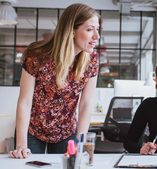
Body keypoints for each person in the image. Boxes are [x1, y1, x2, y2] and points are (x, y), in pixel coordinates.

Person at [9, 3, 100, 158]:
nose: (97, 36)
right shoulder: (36, 55)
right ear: (71, 31)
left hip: (67, 131)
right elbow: (25, 101)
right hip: (32, 130)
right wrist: (21, 145)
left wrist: (80, 141)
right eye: (90, 29)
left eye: (97, 29)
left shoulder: (91, 60)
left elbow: (85, 104)